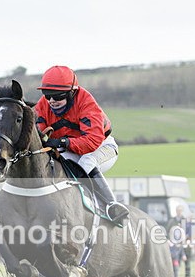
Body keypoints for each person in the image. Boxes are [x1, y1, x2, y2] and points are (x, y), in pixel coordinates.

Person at [35, 65, 129, 223]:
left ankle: (112, 205)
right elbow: (38, 126)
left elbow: (92, 140)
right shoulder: (44, 104)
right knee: (56, 166)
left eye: (57, 96)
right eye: (47, 95)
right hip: (71, 147)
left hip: (102, 147)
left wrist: (63, 142)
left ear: (71, 93)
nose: (51, 101)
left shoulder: (86, 103)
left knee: (87, 162)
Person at [165, 205, 194, 277]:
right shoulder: (172, 220)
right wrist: (169, 240)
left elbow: (189, 231)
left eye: (180, 210)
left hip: (185, 244)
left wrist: (188, 240)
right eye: (178, 210)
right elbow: (168, 231)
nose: (179, 212)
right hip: (175, 245)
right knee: (175, 261)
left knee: (187, 261)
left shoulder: (185, 221)